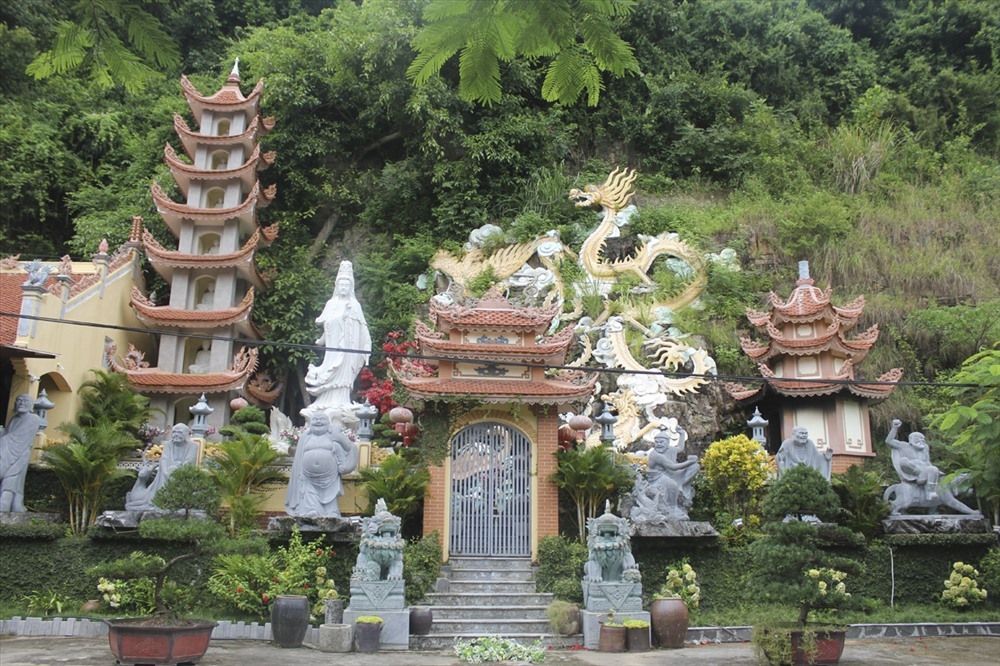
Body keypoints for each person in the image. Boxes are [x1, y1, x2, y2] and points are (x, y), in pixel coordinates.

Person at [304, 261, 371, 411]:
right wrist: (321, 340)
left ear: (351, 287)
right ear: (337, 285)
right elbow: (327, 325)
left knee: (345, 373)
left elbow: (363, 328)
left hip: (349, 347)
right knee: (330, 368)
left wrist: (366, 346)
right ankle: (326, 400)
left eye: (347, 285)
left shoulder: (355, 305)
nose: (343, 288)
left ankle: (342, 400)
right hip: (333, 348)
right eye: (341, 285)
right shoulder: (331, 303)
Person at [885, 419, 977, 515]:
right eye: (918, 438)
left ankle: (932, 508)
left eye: (923, 439)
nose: (921, 440)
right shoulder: (903, 446)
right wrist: (894, 428)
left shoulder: (925, 448)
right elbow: (889, 441)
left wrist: (937, 473)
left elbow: (927, 461)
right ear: (911, 440)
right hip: (914, 474)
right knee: (905, 462)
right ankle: (930, 492)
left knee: (933, 469)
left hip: (927, 474)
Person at [285, 412, 359, 518]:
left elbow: (350, 448)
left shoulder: (333, 436)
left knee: (330, 495)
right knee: (307, 492)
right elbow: (298, 457)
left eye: (322, 419)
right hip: (307, 476)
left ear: (328, 423)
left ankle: (331, 511)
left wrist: (340, 439)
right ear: (310, 423)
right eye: (315, 419)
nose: (318, 421)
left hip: (330, 475)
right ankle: (310, 509)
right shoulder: (305, 437)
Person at [635, 420, 700, 520]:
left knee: (695, 467)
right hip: (658, 477)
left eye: (662, 442)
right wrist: (689, 462)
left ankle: (681, 485)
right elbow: (672, 466)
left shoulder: (670, 449)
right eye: (656, 442)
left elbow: (680, 448)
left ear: (668, 442)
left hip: (671, 474)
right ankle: (673, 508)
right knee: (673, 485)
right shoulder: (655, 455)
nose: (659, 444)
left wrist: (681, 434)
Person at [125, 423, 200, 511]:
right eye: (174, 432)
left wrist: (177, 471)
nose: (176, 434)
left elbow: (189, 461)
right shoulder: (168, 444)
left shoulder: (193, 446)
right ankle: (161, 501)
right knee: (167, 471)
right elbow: (164, 459)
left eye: (179, 432)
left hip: (182, 473)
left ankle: (177, 502)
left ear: (186, 434)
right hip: (167, 473)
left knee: (173, 470)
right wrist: (165, 472)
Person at [0, 394, 42, 512]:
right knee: (14, 479)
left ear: (31, 405)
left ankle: (5, 503)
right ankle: (14, 504)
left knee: (13, 476)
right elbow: (8, 435)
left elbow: (19, 438)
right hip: (9, 452)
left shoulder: (34, 419)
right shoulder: (14, 419)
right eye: (19, 400)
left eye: (25, 401)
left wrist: (3, 439)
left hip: (20, 452)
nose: (21, 403)